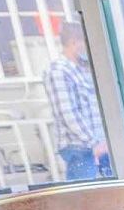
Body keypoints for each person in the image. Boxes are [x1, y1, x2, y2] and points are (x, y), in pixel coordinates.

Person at [44, 20, 110, 180]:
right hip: (80, 147)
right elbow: (68, 114)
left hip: (95, 144)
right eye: (86, 43)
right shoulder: (58, 71)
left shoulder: (81, 69)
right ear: (74, 42)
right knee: (85, 200)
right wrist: (94, 142)